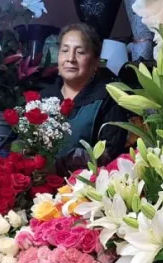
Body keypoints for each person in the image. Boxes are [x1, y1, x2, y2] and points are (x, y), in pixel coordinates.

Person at [41, 23, 129, 171]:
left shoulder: (108, 98)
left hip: (86, 188)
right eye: (64, 50)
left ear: (95, 62)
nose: (70, 58)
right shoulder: (43, 97)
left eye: (80, 52)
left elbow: (110, 154)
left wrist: (74, 160)